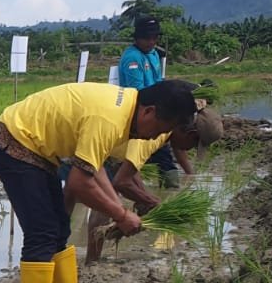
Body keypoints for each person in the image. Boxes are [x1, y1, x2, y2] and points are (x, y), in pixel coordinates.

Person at [0, 80, 198, 283]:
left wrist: (116, 206)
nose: (157, 136)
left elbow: (92, 168)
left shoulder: (126, 110)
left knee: (59, 227)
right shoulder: (111, 119)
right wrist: (120, 214)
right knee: (41, 232)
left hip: (39, 151)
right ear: (149, 111)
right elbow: (78, 184)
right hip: (15, 143)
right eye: (163, 128)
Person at [78, 106, 221, 261]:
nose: (189, 149)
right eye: (194, 144)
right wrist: (153, 203)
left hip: (105, 151)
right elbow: (122, 182)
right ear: (190, 134)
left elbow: (131, 168)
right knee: (103, 204)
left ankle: (86, 259)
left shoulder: (161, 133)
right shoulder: (154, 136)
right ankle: (90, 262)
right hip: (86, 142)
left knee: (100, 202)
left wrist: (143, 199)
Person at [119, 17, 191, 188]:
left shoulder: (153, 54)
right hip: (141, 112)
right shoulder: (132, 58)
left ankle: (179, 182)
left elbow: (159, 81)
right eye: (147, 38)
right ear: (137, 38)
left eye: (154, 38)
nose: (151, 42)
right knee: (146, 155)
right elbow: (138, 92)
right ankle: (164, 189)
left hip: (157, 109)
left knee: (163, 151)